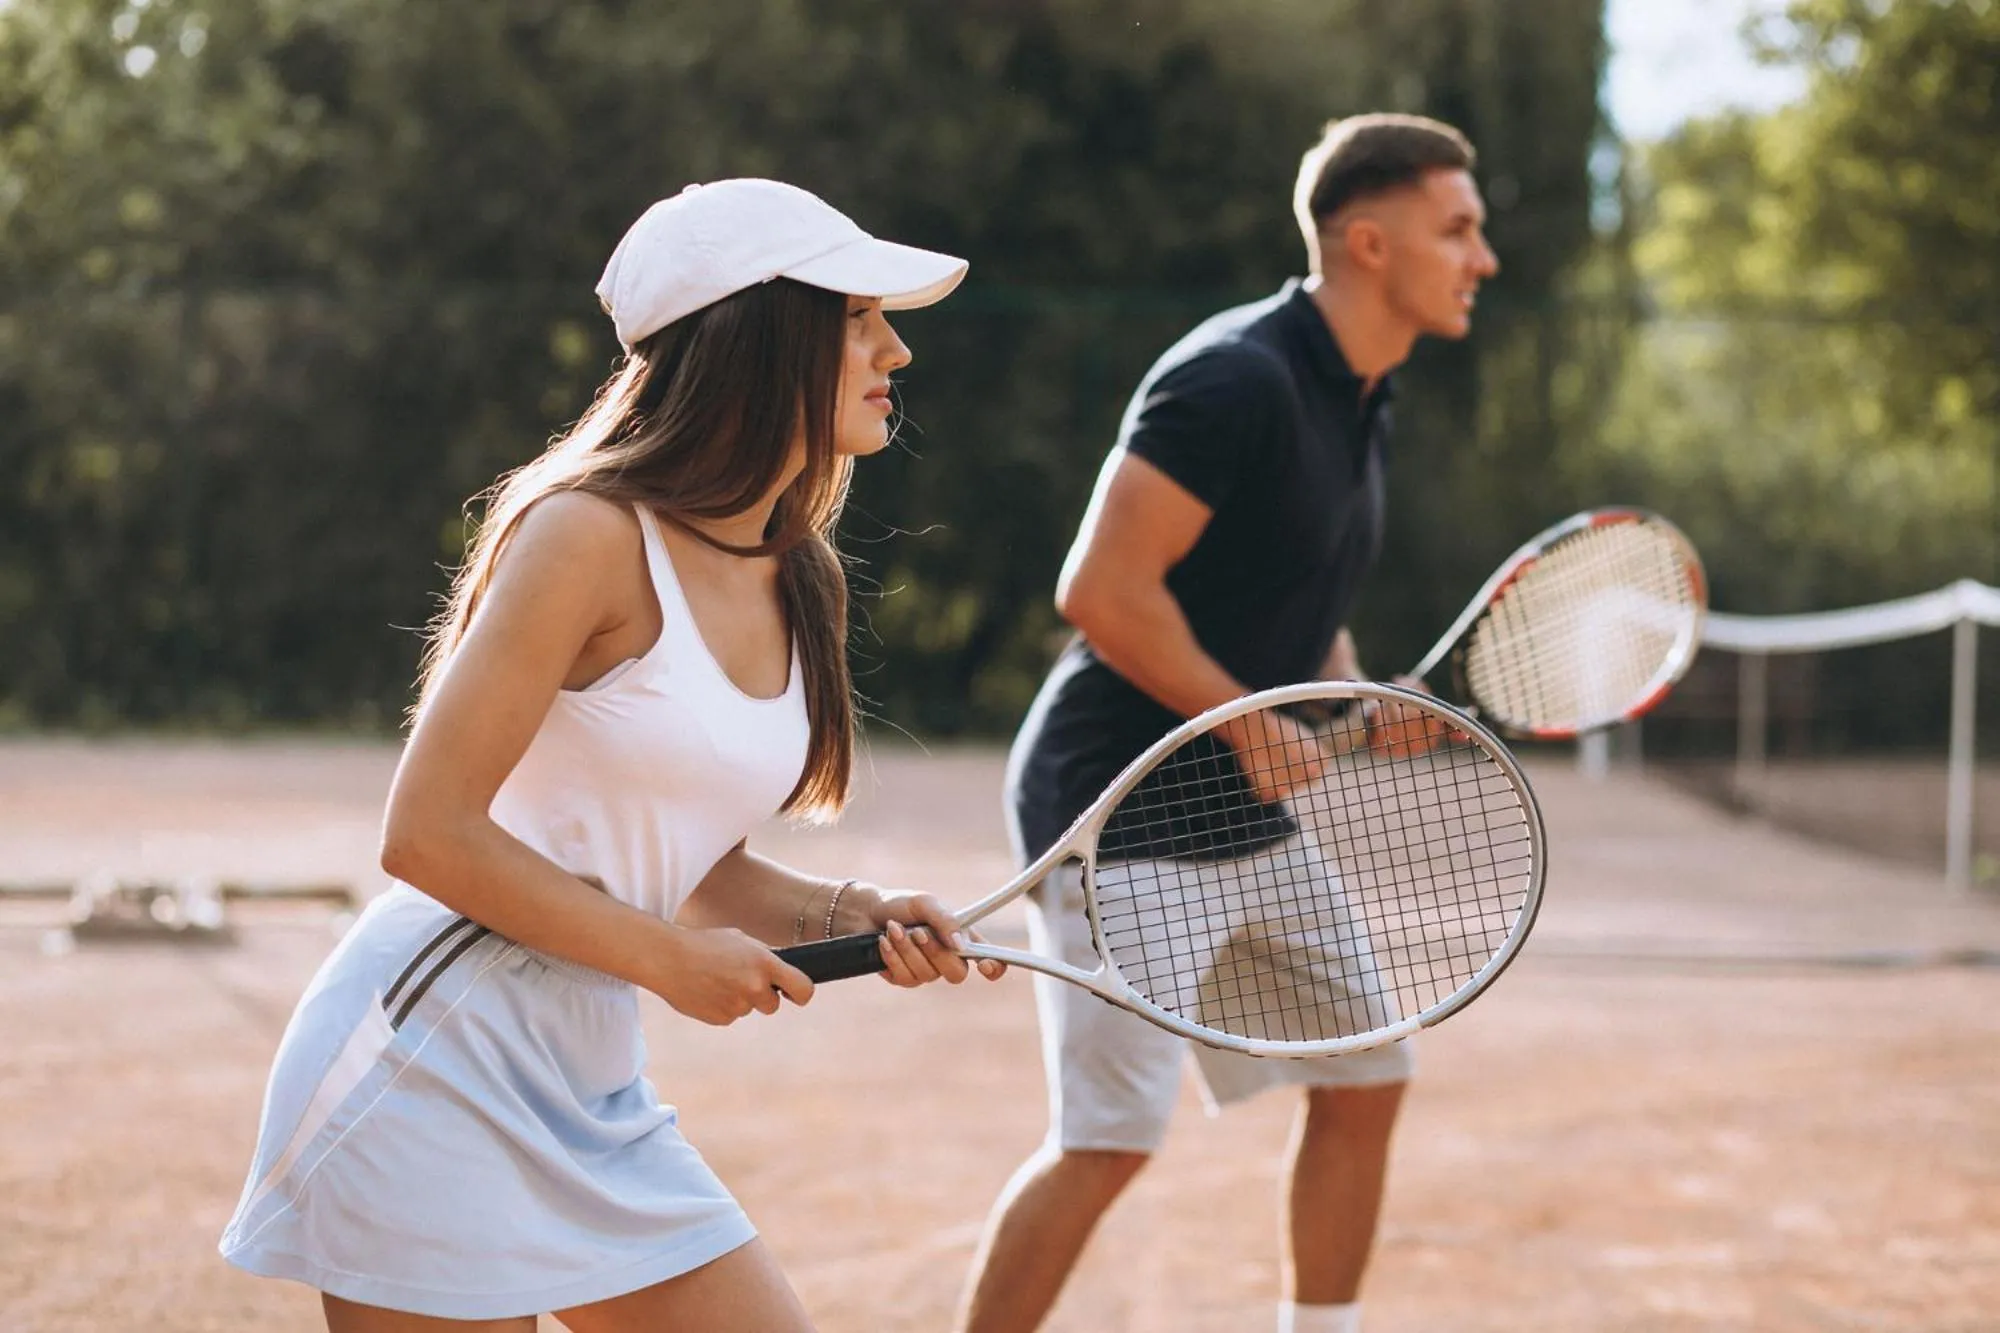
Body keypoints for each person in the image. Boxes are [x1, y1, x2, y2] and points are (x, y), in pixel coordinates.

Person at [219, 178, 1005, 1332]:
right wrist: (665, 964)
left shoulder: (800, 572)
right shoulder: (583, 537)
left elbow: (682, 860)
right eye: (855, 317)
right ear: (757, 335)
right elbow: (425, 833)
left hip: (589, 1082)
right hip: (429, 1059)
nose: (893, 346)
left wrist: (853, 907)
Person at [954, 114, 1501, 1333]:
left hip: (1234, 816)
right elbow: (1100, 591)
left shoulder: (1362, 396)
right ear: (1367, 241)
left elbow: (1293, 605)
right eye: (1456, 228)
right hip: (1114, 808)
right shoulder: (1234, 376)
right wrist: (1245, 727)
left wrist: (1352, 701)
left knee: (1367, 1077)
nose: (1482, 257)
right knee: (1105, 1141)